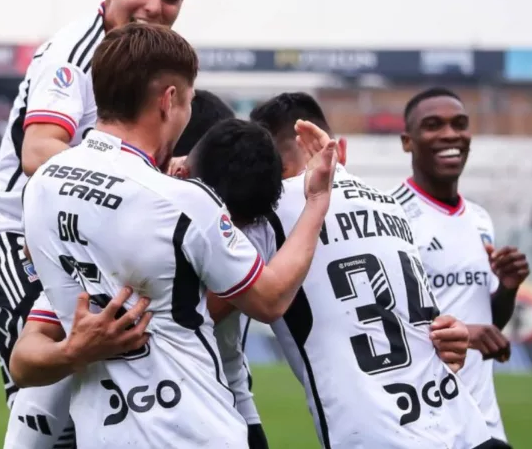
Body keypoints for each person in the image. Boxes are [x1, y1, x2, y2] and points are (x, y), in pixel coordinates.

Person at [20, 23, 337, 448]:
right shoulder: (183, 201)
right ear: (170, 100)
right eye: (187, 100)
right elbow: (270, 298)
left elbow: (24, 362)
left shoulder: (42, 186)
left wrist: (73, 352)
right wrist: (316, 199)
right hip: (193, 432)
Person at [0, 0, 194, 413]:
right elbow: (38, 152)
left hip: (70, 243)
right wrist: (142, 187)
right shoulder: (76, 53)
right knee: (48, 388)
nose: (154, 6)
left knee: (100, 389)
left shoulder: (154, 69)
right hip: (8, 237)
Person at [3, 91, 273, 449]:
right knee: (45, 395)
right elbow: (25, 362)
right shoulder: (124, 240)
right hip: (132, 418)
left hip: (224, 406)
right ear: (176, 170)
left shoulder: (239, 231)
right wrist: (72, 351)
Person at [252, 92, 498, 449]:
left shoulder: (271, 212)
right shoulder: (393, 207)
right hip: (462, 425)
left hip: (376, 434)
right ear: (336, 147)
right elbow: (435, 329)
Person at [389, 87, 530, 448]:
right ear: (408, 141)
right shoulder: (391, 216)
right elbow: (387, 328)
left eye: (460, 124)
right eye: (434, 125)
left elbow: (489, 321)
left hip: (484, 421)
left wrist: (509, 287)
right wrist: (465, 333)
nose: (450, 134)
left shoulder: (480, 218)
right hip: (428, 422)